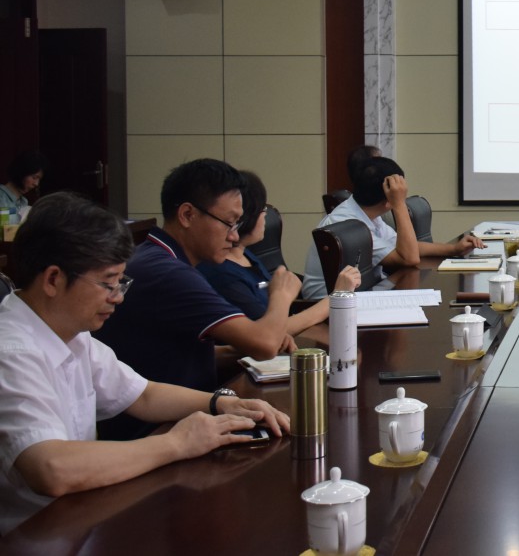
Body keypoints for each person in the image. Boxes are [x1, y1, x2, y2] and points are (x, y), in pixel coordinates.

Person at [0, 193, 289, 534]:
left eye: (120, 283)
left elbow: (143, 395)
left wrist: (223, 403)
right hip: (36, 536)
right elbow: (51, 469)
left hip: (83, 516)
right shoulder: (12, 351)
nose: (117, 297)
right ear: (53, 279)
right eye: (108, 283)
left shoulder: (70, 332)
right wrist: (176, 443)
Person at [94, 159, 301, 438]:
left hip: (183, 416)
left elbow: (175, 353)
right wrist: (281, 295)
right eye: (228, 223)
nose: (234, 236)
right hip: (156, 431)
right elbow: (264, 344)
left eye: (237, 224)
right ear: (187, 215)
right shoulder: (165, 271)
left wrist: (236, 352)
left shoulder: (163, 257)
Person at [301, 156, 485, 299]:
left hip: (357, 296)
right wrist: (399, 204)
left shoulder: (366, 214)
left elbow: (405, 247)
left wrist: (453, 249)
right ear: (388, 197)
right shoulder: (349, 223)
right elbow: (409, 257)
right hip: (325, 306)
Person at [198, 170, 360, 332]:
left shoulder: (245, 254)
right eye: (262, 209)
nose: (265, 216)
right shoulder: (224, 275)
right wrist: (337, 296)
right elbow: (268, 334)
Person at [0, 151, 48, 215]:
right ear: (22, 172)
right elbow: (4, 220)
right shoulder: (2, 197)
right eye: (34, 177)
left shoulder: (23, 202)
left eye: (39, 179)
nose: (36, 184)